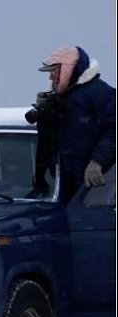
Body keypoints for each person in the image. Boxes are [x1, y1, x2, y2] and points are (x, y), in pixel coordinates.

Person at [25, 45, 116, 200]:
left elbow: (113, 130)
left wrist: (98, 161)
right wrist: (44, 111)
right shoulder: (58, 98)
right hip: (61, 185)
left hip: (95, 187)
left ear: (68, 68)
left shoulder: (102, 94)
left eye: (54, 71)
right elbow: (46, 140)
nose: (51, 77)